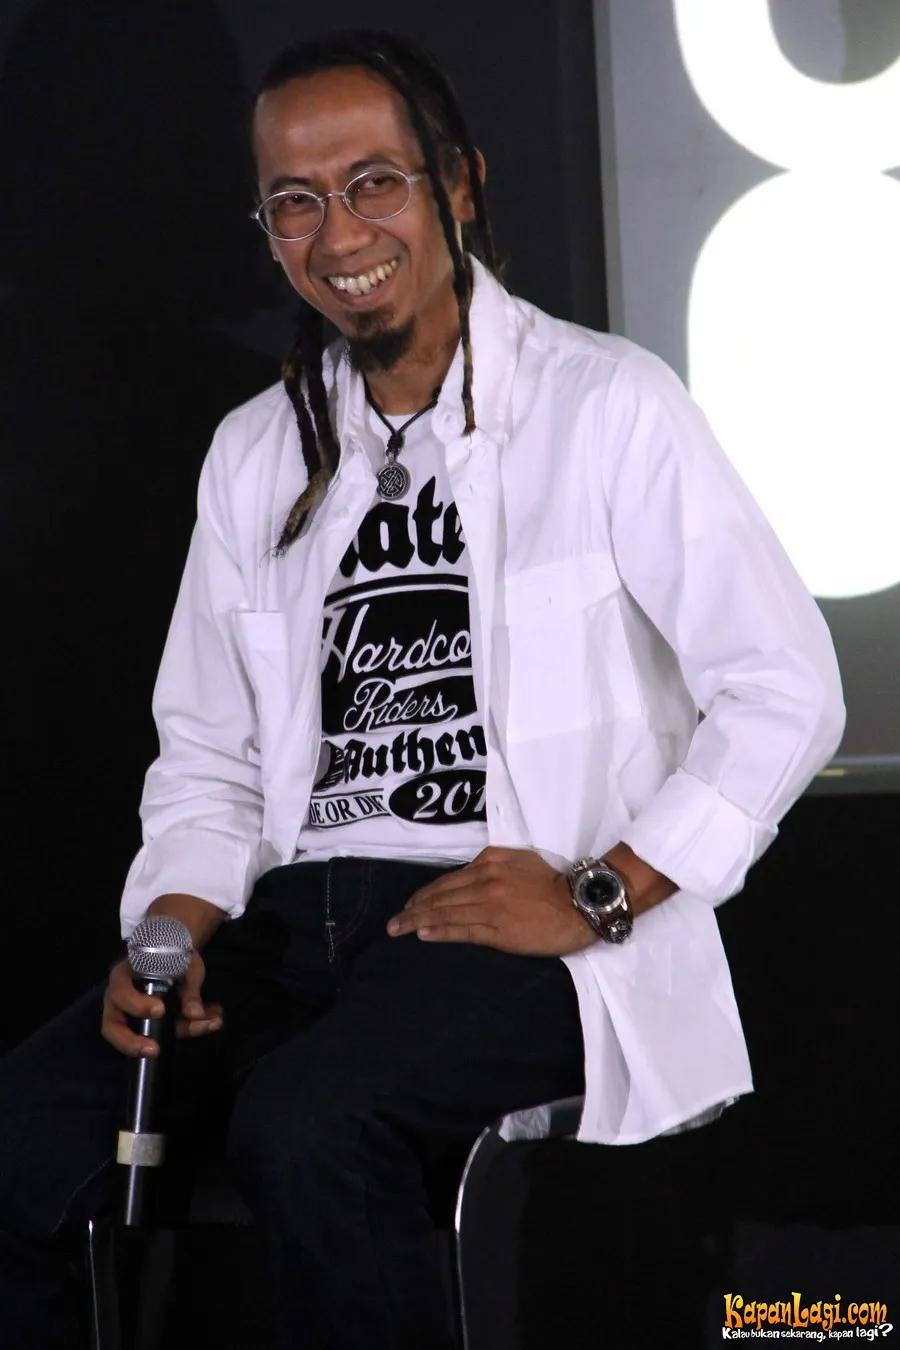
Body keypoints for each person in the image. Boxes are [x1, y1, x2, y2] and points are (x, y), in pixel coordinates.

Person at [0, 28, 844, 1350]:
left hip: (502, 919)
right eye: (295, 200)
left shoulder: (606, 405)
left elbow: (785, 687)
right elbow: (210, 755)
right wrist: (167, 936)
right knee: (23, 1131)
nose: (339, 232)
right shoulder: (253, 455)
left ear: (458, 183)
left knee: (308, 1125)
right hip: (285, 928)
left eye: (373, 182)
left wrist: (602, 888)